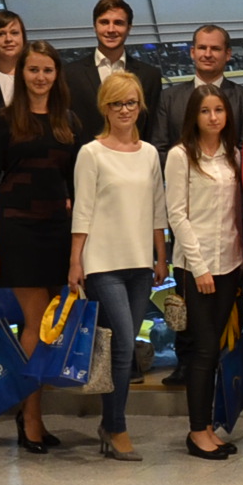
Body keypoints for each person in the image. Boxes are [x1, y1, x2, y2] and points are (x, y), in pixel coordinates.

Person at [0, 41, 80, 455]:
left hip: (57, 232)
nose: (40, 77)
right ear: (22, 74)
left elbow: (75, 181)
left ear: (57, 75)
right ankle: (30, 418)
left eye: (47, 70)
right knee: (36, 326)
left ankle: (32, 413)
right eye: (33, 70)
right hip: (17, 230)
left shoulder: (68, 121)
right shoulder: (4, 121)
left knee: (50, 330)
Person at [69, 73, 169, 461]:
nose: (124, 110)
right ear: (104, 108)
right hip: (102, 263)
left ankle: (110, 424)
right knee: (124, 344)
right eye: (116, 103)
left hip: (140, 263)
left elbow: (157, 207)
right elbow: (82, 210)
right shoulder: (91, 153)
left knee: (122, 348)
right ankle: (116, 426)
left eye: (130, 102)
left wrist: (161, 255)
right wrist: (75, 260)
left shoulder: (149, 153)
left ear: (140, 106)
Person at [164, 85, 243, 458]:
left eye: (219, 110)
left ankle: (209, 427)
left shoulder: (234, 155)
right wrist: (198, 267)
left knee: (215, 351)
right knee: (203, 348)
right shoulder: (180, 155)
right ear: (193, 116)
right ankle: (197, 431)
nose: (213, 117)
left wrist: (241, 260)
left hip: (230, 263)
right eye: (205, 111)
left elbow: (235, 213)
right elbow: (177, 215)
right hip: (195, 267)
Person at [61, 0, 163, 138]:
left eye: (118, 23)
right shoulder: (70, 74)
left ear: (129, 28)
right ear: (95, 27)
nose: (111, 29)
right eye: (104, 22)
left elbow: (151, 129)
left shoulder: (150, 76)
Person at [151, 23, 243, 153]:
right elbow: (160, 150)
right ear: (193, 52)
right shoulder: (168, 98)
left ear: (228, 54)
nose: (208, 54)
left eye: (215, 49)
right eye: (202, 48)